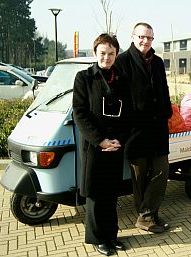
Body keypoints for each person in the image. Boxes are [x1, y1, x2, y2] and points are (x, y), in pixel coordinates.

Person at [73, 33, 129, 256]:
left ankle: (112, 236)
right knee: (96, 195)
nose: (107, 57)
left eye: (111, 53)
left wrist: (119, 140)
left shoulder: (122, 79)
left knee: (111, 194)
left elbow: (129, 114)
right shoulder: (84, 78)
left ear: (116, 54)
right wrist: (101, 140)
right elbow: (80, 114)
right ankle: (98, 238)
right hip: (95, 147)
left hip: (115, 146)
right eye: (103, 53)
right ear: (95, 52)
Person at [115, 22, 173, 233]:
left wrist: (167, 111)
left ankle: (146, 214)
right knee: (139, 177)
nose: (145, 41)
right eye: (141, 37)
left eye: (149, 38)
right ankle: (148, 216)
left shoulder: (157, 62)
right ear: (133, 37)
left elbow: (164, 89)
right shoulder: (121, 61)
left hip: (157, 128)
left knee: (161, 169)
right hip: (135, 132)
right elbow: (117, 97)